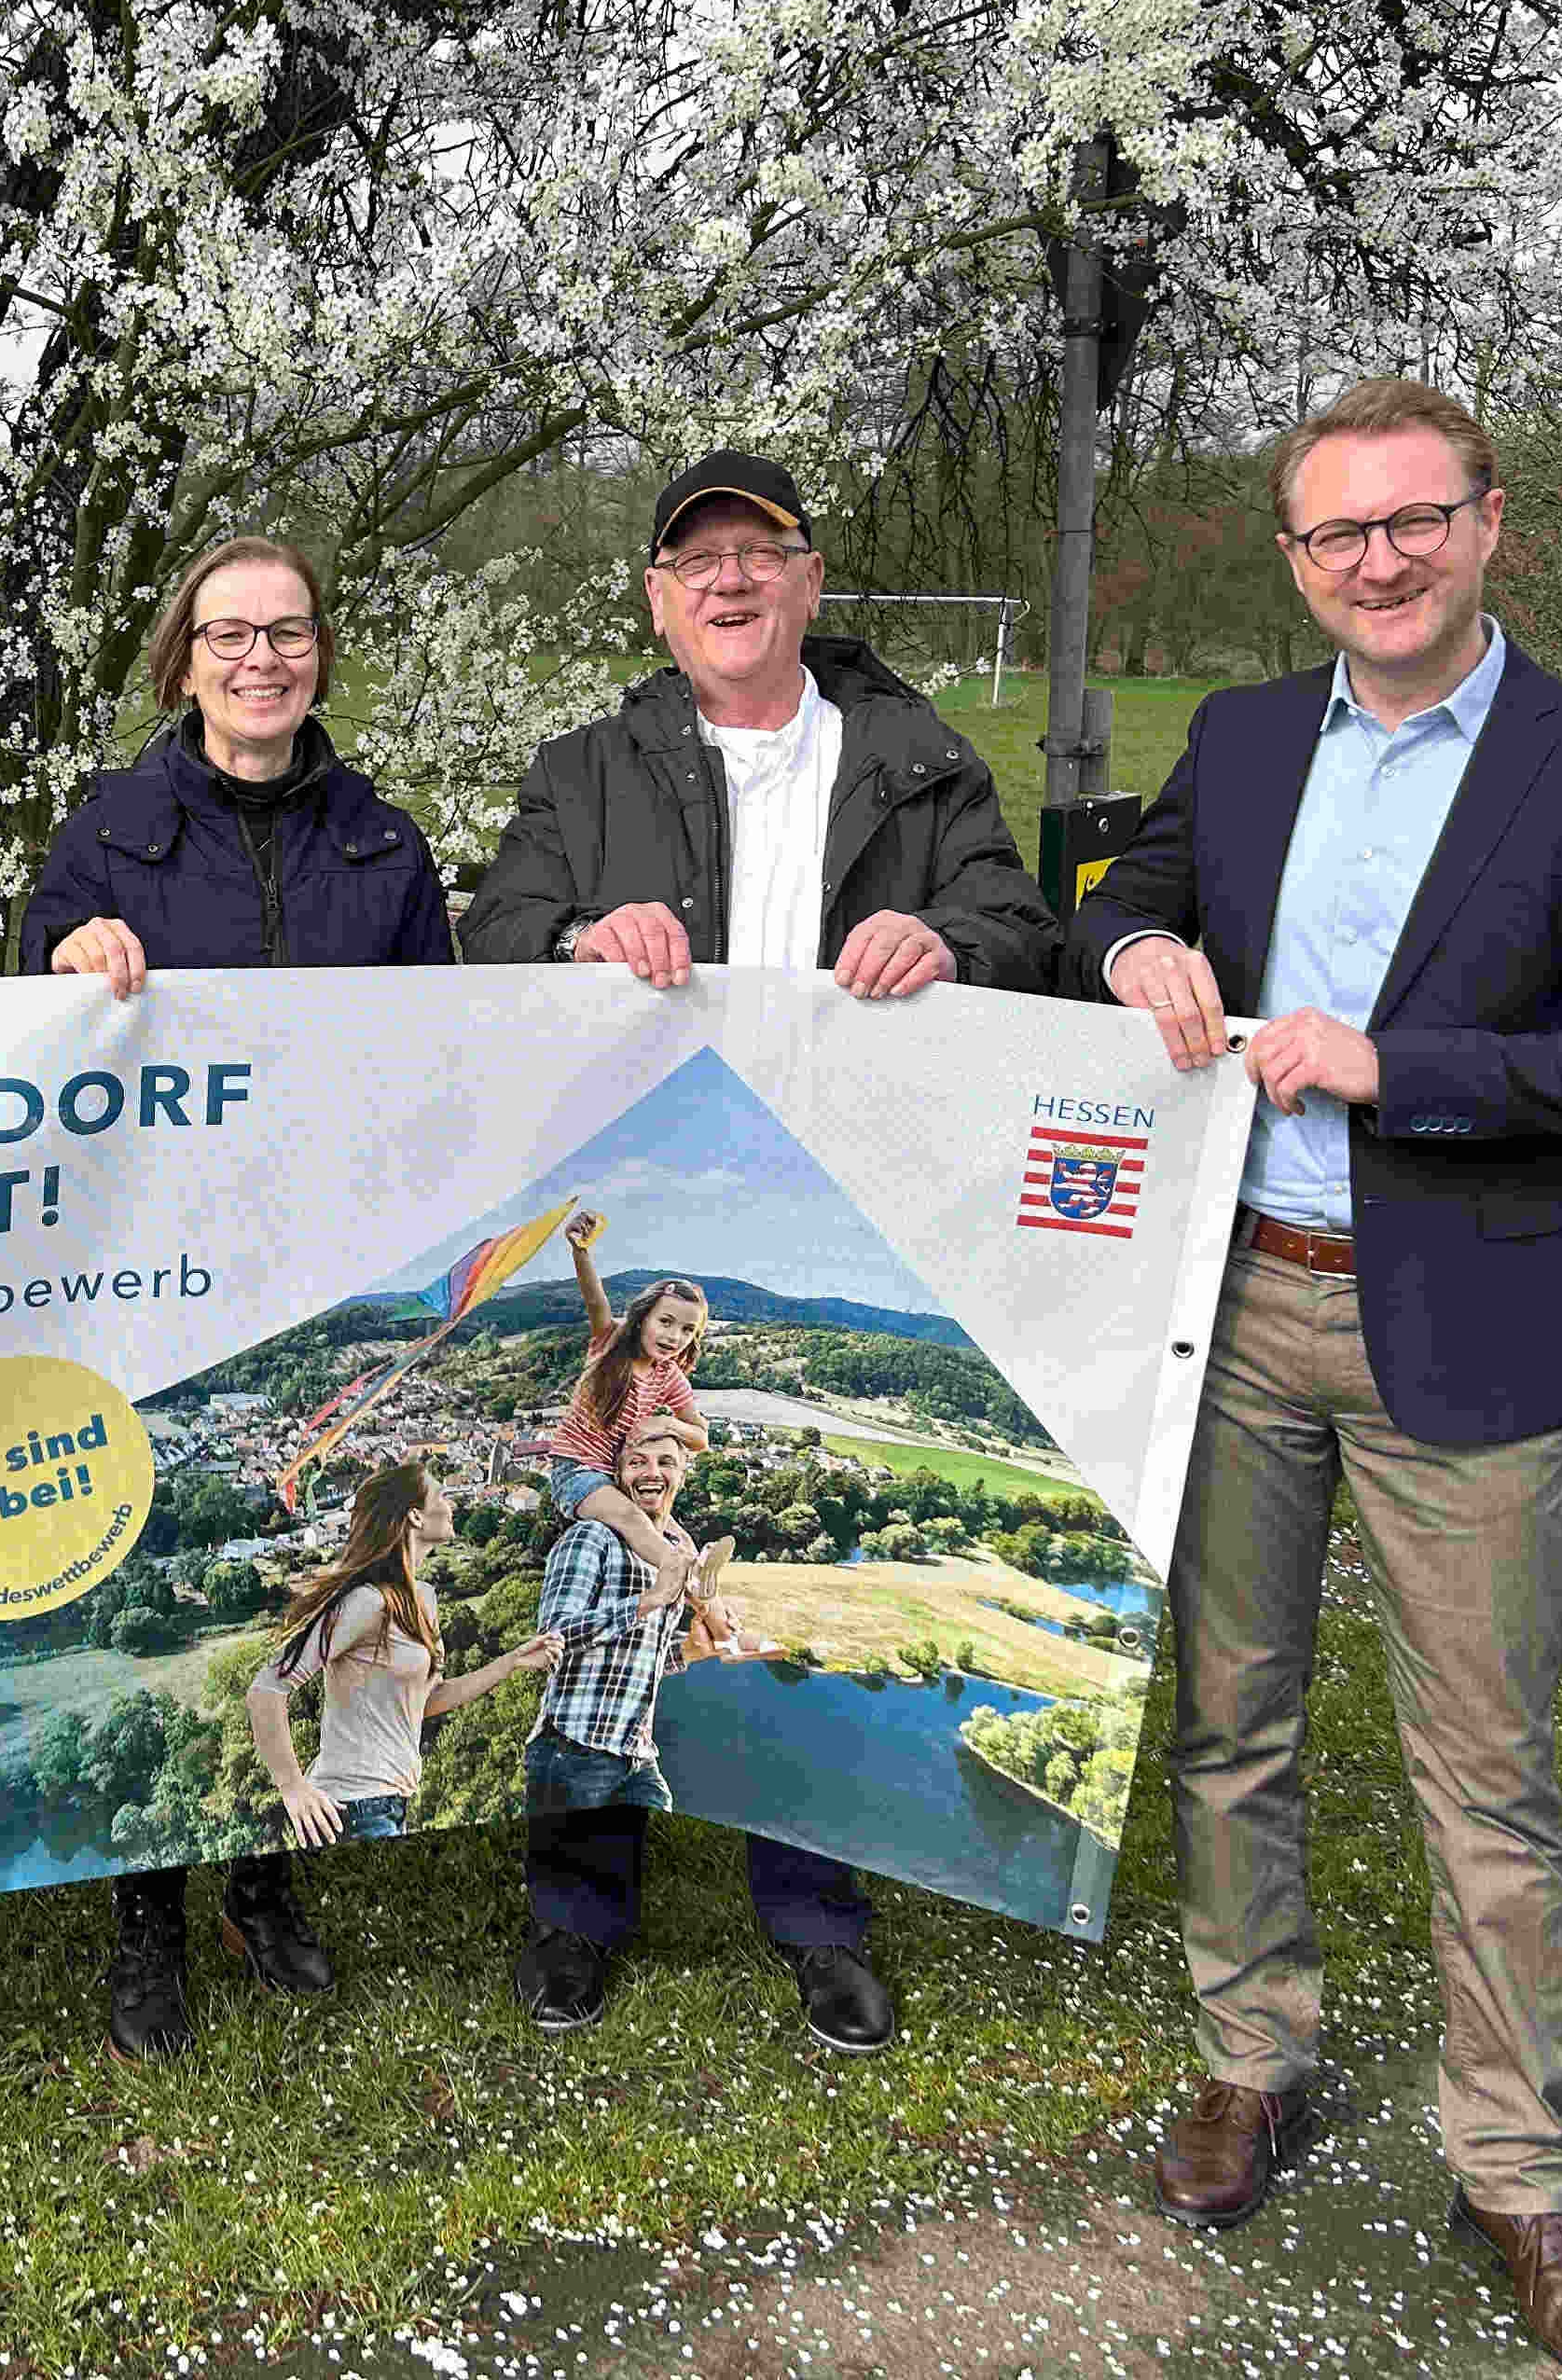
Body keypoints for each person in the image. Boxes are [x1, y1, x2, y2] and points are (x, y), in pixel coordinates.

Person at [1076, 377, 1562, 2380]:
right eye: (1338, 535)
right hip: (1239, 1309)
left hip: (1466, 1321)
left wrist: (1401, 1070)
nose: (1377, 562)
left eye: (1411, 523)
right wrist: (1132, 958)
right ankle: (1250, 2059)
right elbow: (1126, 889)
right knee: (1231, 1723)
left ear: (1488, 525)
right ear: (1298, 558)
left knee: (1488, 1782)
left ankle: (1518, 2173)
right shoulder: (1249, 735)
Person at [463, 446, 1058, 2054]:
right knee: (599, 1591)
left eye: (759, 554)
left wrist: (952, 937)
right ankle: (577, 1904)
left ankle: (817, 1907)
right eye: (695, 562)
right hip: (652, 1181)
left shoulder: (919, 762)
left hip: (852, 1190)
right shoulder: (582, 768)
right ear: (660, 602)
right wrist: (574, 936)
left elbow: (1021, 925)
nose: (729, 581)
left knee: (748, 1580)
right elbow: (490, 930)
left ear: (807, 583)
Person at [14, 532, 460, 2058]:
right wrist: (66, 948)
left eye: (286, 632)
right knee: (160, 1569)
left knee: (305, 1577)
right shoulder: (110, 828)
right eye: (229, 634)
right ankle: (147, 1901)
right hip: (153, 1269)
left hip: (315, 1272)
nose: (259, 657)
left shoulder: (383, 848)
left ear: (318, 652)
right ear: (182, 656)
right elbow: (18, 999)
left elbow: (442, 1049)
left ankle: (263, 1877)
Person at [512, 1420, 731, 2029]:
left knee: (648, 1861)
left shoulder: (680, 1549)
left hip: (636, 1753)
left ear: (684, 1474)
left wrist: (692, 1654)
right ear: (616, 1473)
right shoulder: (591, 1540)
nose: (651, 1472)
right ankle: (555, 1953)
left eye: (665, 1461)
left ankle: (595, 1933)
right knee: (564, 1896)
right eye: (636, 1461)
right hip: (574, 1749)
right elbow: (550, 1639)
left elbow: (648, 1661)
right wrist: (649, 1599)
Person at [250, 1464, 566, 1847]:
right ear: (415, 1515)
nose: (451, 1505)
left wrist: (511, 1661)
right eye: (441, 1496)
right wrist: (293, 1788)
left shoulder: (425, 1599)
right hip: (351, 1809)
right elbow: (268, 1689)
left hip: (392, 1805)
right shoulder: (367, 1601)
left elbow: (427, 1701)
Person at [525, 1219, 740, 1647]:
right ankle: (688, 1578)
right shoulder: (610, 1346)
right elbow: (594, 1298)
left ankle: (725, 1632)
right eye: (666, 1322)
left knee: (682, 1538)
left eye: (686, 1330)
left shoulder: (669, 1377)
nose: (674, 1336)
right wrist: (581, 1251)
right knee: (633, 1520)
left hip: (617, 1477)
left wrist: (665, 1423)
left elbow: (701, 1437)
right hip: (578, 1471)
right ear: (642, 1320)